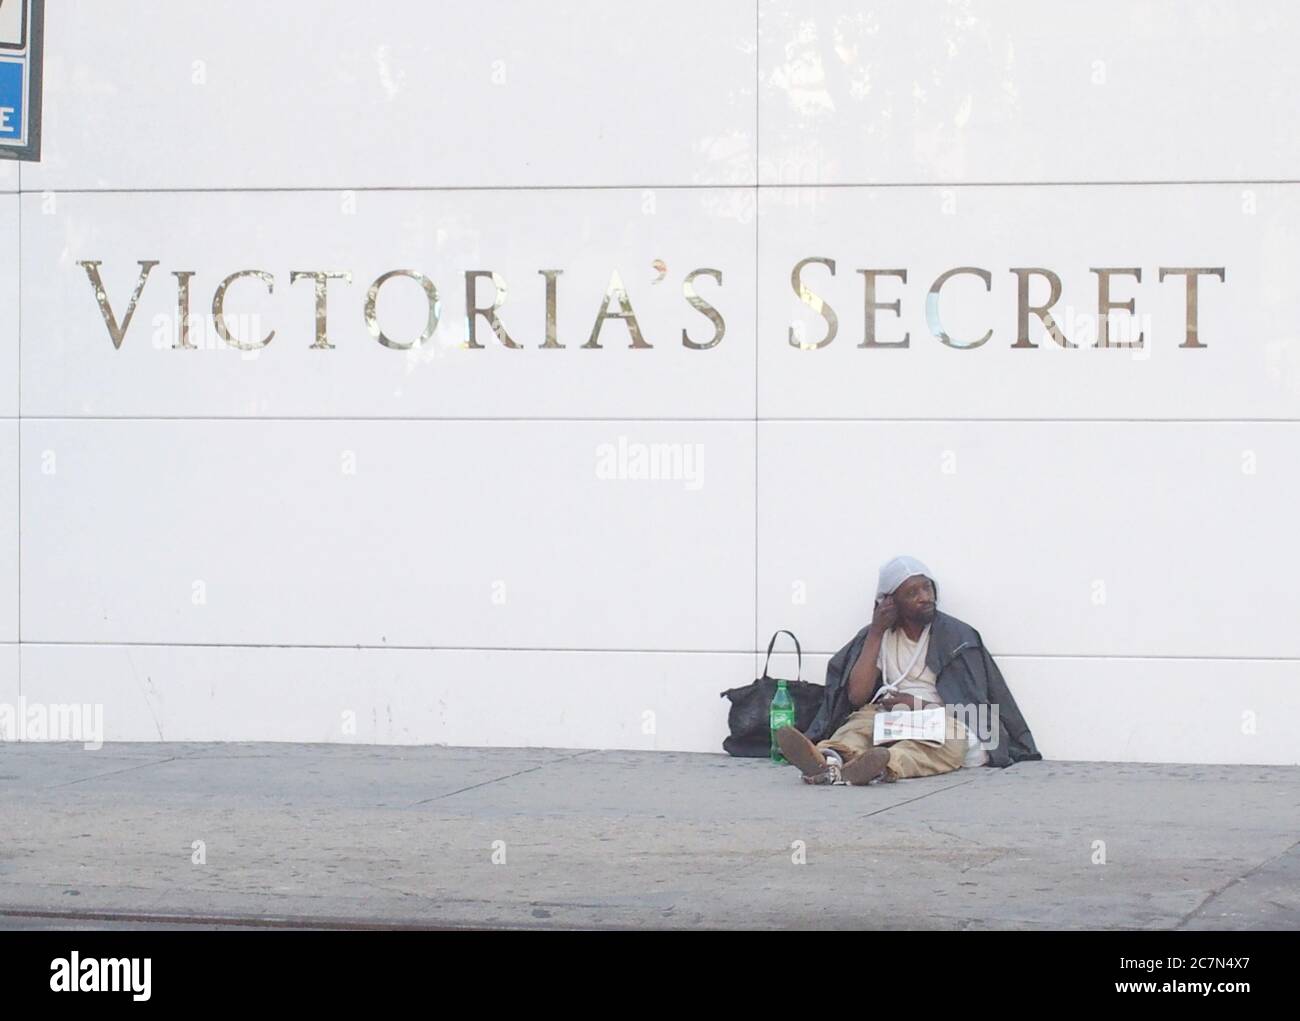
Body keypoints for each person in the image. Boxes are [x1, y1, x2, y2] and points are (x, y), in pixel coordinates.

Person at [776, 556, 1041, 785]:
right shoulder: (876, 637)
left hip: (942, 718)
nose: (925, 597)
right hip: (890, 716)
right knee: (857, 726)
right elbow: (857, 696)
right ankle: (827, 762)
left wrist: (915, 704)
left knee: (937, 744)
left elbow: (972, 703)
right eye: (913, 593)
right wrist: (876, 631)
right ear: (891, 602)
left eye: (927, 588)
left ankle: (883, 765)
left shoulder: (957, 637)